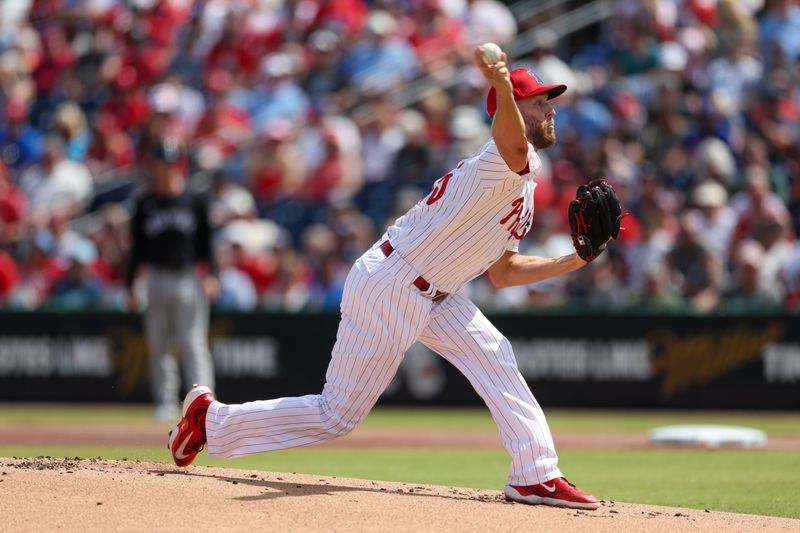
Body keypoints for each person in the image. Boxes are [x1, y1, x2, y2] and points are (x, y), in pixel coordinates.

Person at [169, 47, 603, 510]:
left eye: (548, 100)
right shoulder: (500, 161)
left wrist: (574, 260)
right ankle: (209, 421)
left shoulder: (524, 188)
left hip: (439, 292)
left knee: (497, 357)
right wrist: (499, 81)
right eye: (539, 101)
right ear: (512, 111)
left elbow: (503, 272)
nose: (551, 107)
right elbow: (513, 141)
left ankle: (536, 475)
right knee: (337, 415)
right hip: (394, 283)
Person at [127, 138, 219, 421]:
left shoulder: (194, 199)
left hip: (188, 276)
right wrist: (130, 282)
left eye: (169, 162)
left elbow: (208, 242)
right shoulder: (145, 202)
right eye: (160, 163)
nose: (165, 168)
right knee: (159, 343)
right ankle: (165, 402)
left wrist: (212, 274)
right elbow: (136, 248)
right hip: (155, 276)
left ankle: (205, 402)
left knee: (192, 342)